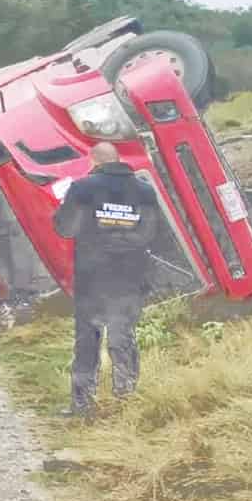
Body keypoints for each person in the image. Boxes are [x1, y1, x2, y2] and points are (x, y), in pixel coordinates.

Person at [52, 142, 161, 418]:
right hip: (130, 276)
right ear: (119, 160)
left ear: (94, 162)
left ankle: (82, 405)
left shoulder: (83, 188)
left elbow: (66, 228)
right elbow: (150, 233)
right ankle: (126, 403)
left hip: (92, 276)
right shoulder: (145, 191)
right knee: (122, 337)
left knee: (87, 339)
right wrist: (123, 240)